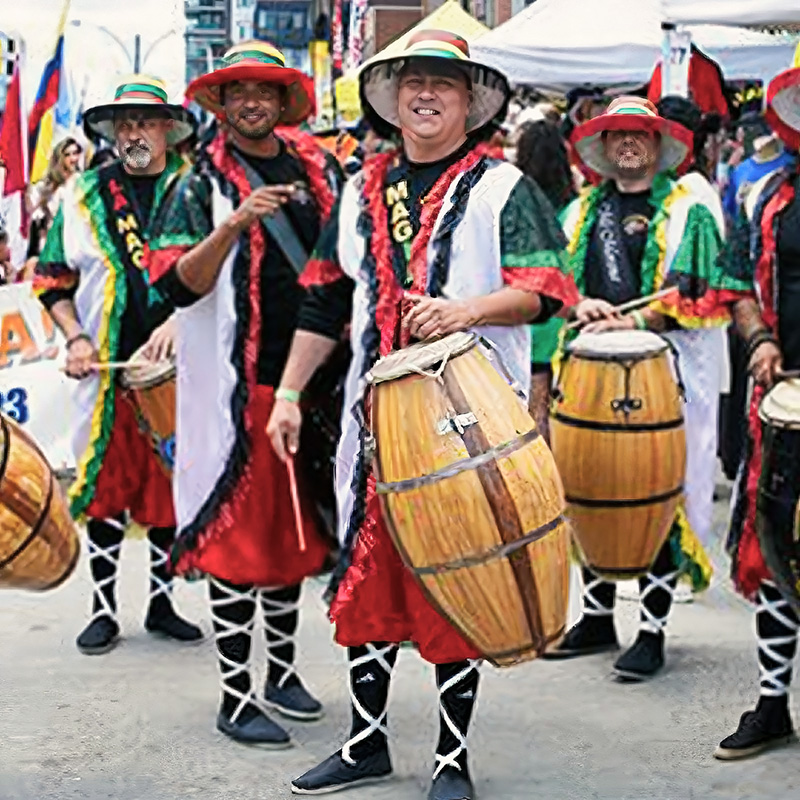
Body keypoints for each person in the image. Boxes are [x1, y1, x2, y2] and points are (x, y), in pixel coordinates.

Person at [266, 29, 579, 800]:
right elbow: (326, 299)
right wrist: (287, 392)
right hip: (373, 418)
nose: (427, 94)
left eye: (444, 83)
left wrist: (465, 309)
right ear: (392, 98)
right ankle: (367, 743)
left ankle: (449, 760)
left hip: (468, 417)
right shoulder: (360, 186)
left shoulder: (506, 188)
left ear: (471, 103)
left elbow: (546, 288)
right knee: (368, 578)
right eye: (413, 82)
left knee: (456, 571)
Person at [146, 41, 342, 748]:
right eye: (239, 93)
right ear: (221, 107)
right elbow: (172, 285)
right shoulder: (193, 186)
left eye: (266, 91)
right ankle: (236, 695)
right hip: (241, 389)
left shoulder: (319, 171)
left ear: (283, 103)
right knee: (237, 538)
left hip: (316, 382)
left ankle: (283, 673)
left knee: (295, 535)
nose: (253, 102)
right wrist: (233, 225)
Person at [543, 96, 729, 680]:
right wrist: (578, 304)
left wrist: (639, 321)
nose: (629, 144)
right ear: (601, 148)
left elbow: (700, 295)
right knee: (591, 486)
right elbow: (551, 287)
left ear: (658, 146)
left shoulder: (687, 213)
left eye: (640, 136)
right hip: (587, 375)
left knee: (656, 493)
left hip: (661, 378)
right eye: (618, 135)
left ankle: (651, 629)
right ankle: (598, 618)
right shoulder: (577, 216)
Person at [33, 76, 202, 656]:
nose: (134, 132)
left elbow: (218, 276)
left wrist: (183, 319)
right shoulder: (81, 195)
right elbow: (53, 278)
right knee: (105, 490)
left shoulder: (193, 188)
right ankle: (103, 608)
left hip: (178, 372)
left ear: (167, 130)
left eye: (146, 121)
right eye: (125, 123)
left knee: (167, 493)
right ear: (113, 131)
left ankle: (161, 602)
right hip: (104, 374)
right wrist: (75, 337)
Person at [715, 54, 800, 760]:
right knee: (775, 553)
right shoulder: (769, 194)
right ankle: (773, 705)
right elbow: (738, 283)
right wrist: (760, 337)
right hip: (784, 401)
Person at [515, 119, 576, 441]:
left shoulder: (516, 206)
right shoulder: (577, 209)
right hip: (564, 322)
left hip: (526, 319)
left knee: (529, 415)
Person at [24, 137, 83, 281]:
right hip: (50, 245)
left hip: (74, 243)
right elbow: (35, 216)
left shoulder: (82, 182)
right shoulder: (46, 187)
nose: (72, 158)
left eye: (75, 153)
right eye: (68, 154)